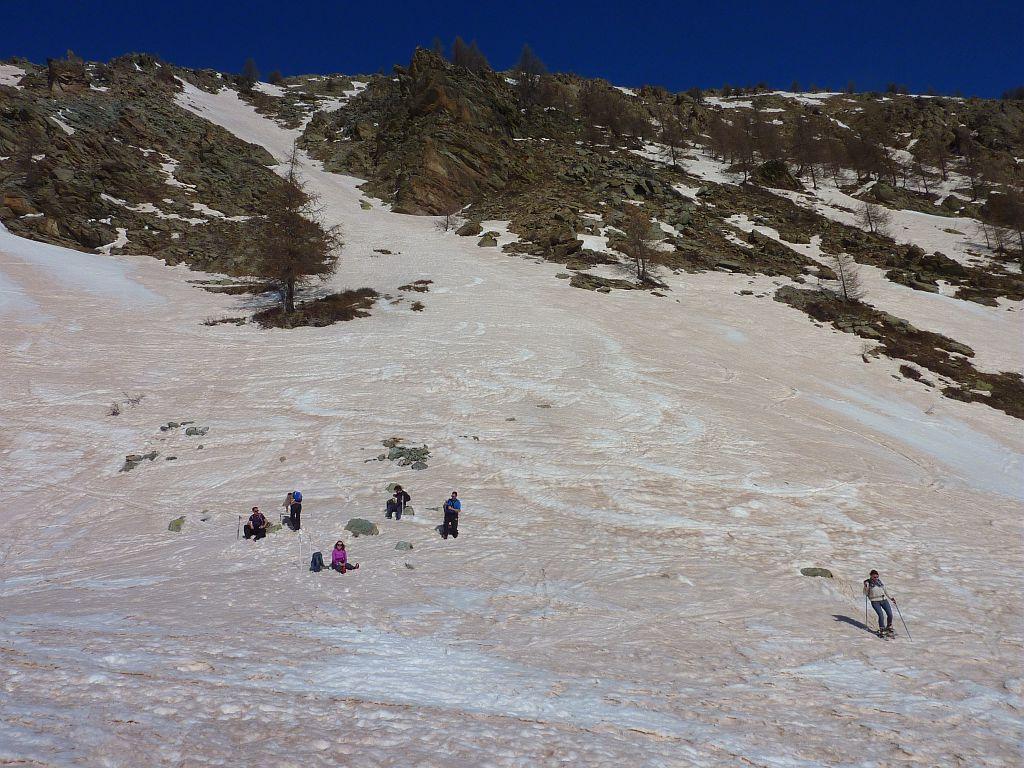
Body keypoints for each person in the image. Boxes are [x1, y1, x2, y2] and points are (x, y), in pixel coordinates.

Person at [864, 570, 896, 637]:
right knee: (881, 615)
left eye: (877, 577)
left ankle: (889, 626)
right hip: (875, 601)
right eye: (874, 577)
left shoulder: (880, 582)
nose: (876, 578)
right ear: (871, 576)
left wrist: (891, 598)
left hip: (884, 600)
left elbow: (885, 591)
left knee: (890, 614)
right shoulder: (868, 583)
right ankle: (882, 629)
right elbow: (865, 593)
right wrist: (866, 587)